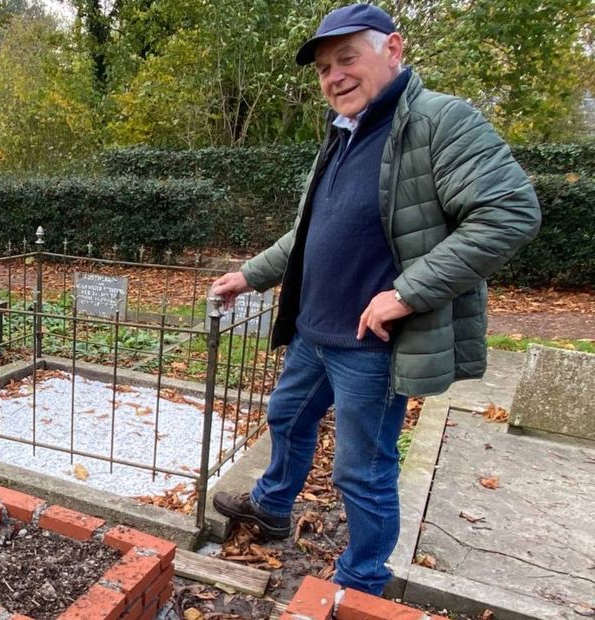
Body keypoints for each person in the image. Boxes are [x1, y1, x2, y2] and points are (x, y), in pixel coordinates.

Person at [210, 3, 540, 595]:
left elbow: (509, 213)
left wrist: (407, 293)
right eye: (323, 68)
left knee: (361, 469)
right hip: (316, 331)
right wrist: (249, 275)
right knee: (286, 416)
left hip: (372, 343)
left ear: (393, 49)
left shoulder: (442, 122)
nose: (333, 76)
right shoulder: (342, 134)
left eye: (346, 59)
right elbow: (313, 232)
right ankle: (273, 507)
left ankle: (361, 580)